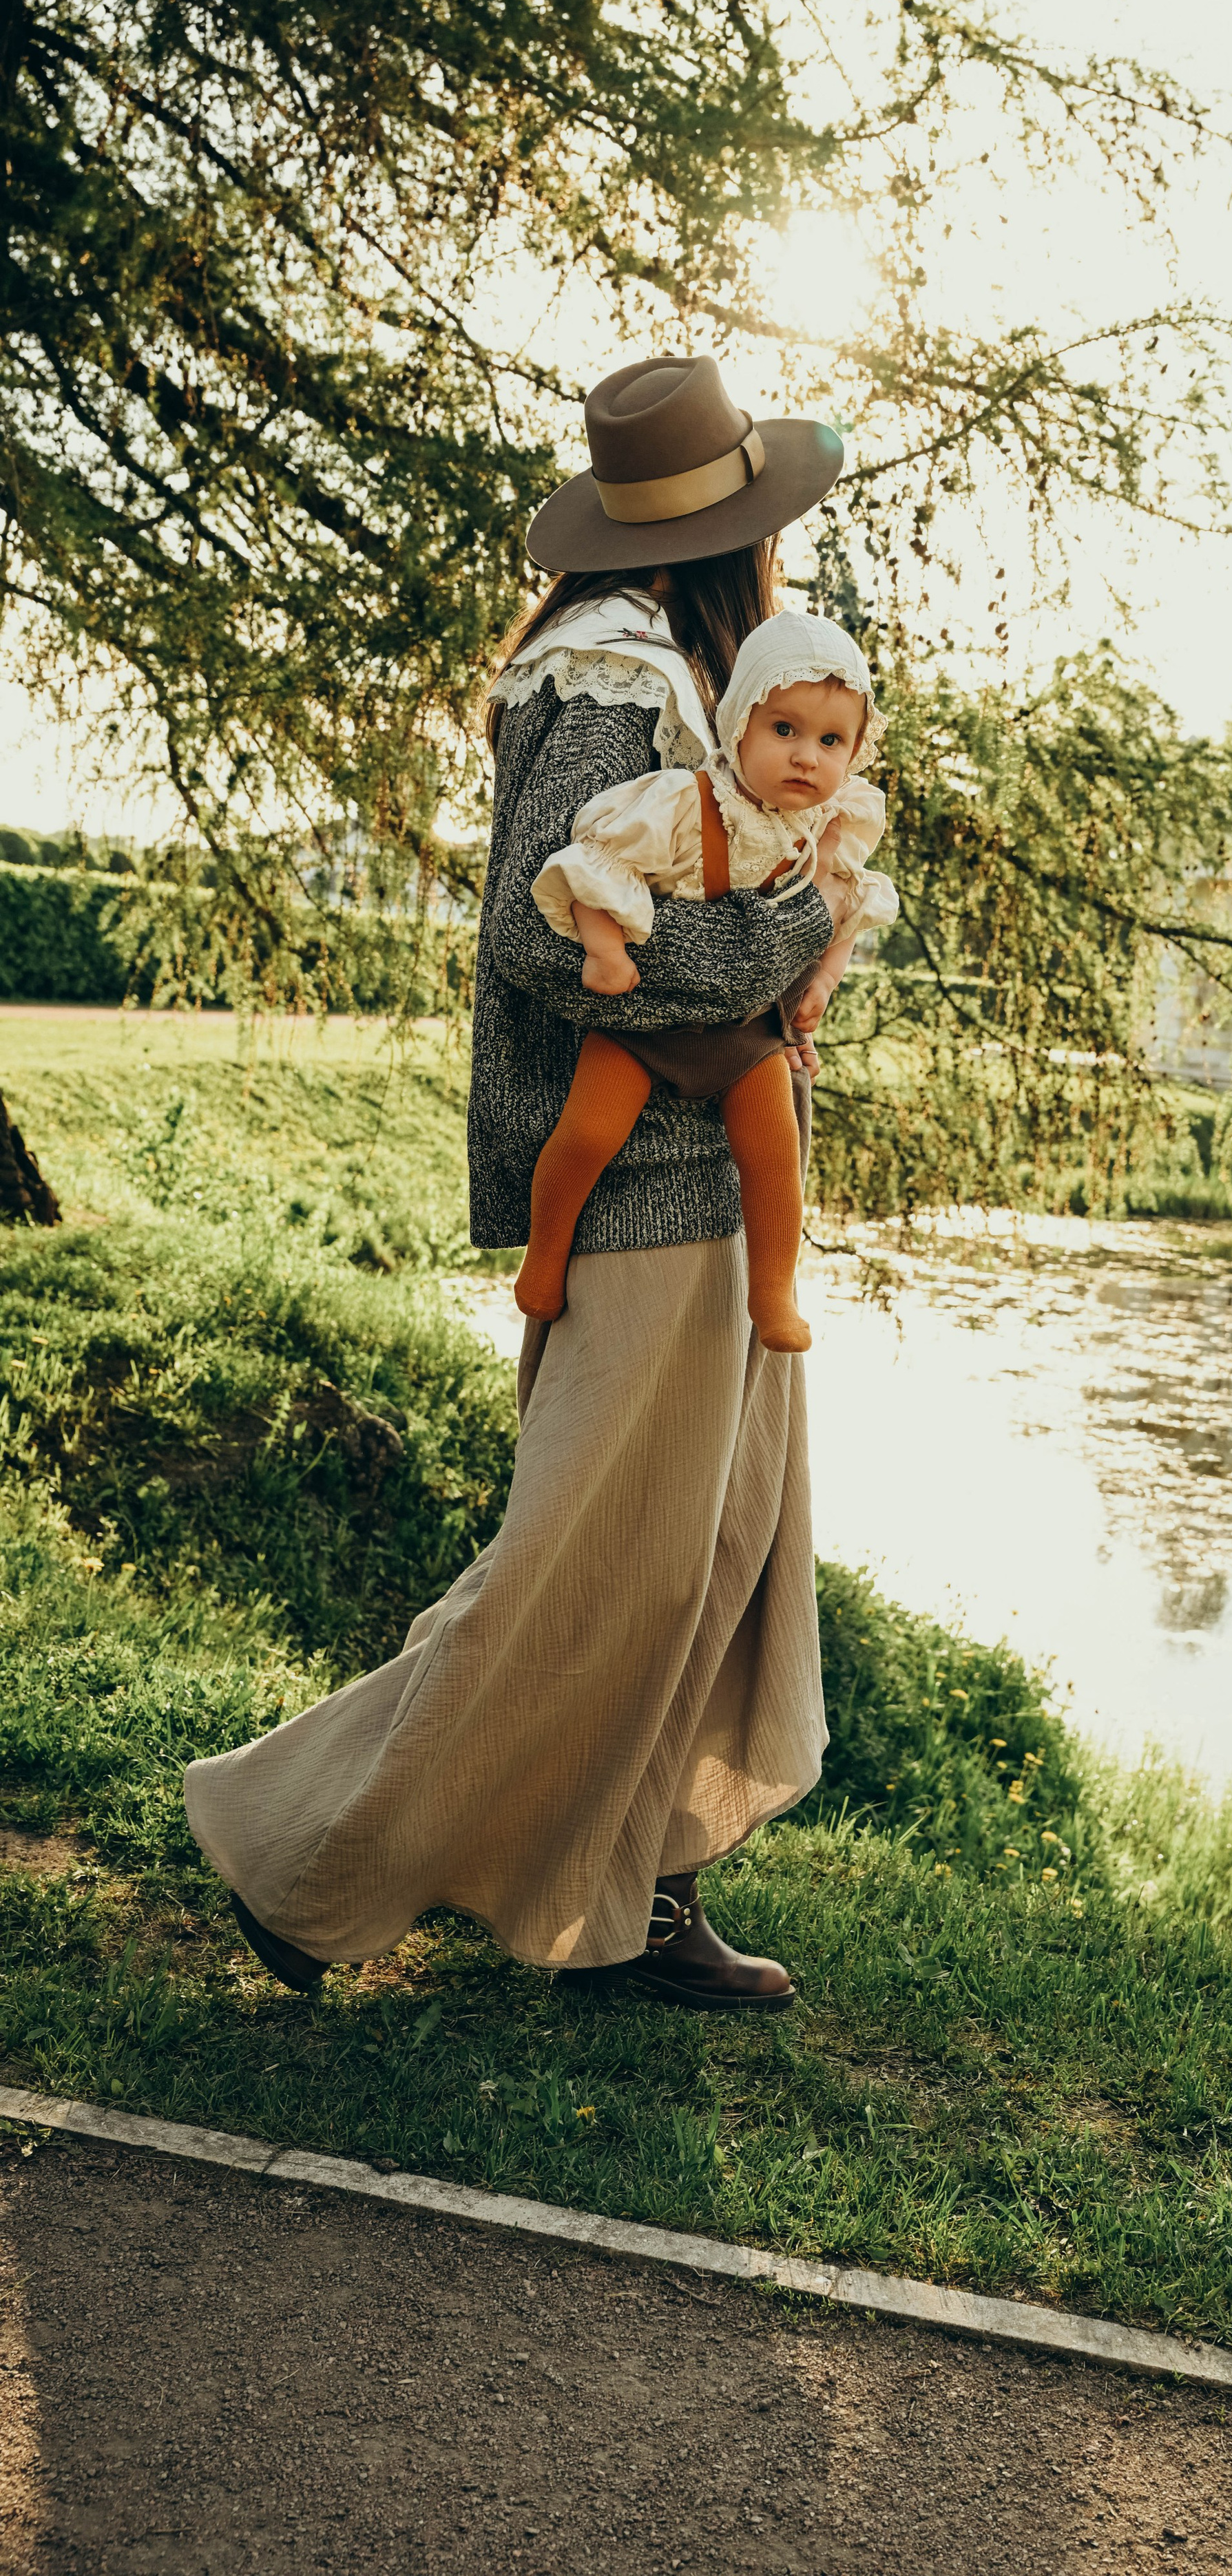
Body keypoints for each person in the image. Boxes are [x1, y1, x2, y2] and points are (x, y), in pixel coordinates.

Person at [185, 353, 861, 2013]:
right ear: (729, 535)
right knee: (582, 1567)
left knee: (717, 1551)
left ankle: (631, 1900)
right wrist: (787, 940)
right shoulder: (607, 672)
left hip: (704, 1159)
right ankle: (301, 1854)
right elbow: (532, 930)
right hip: (639, 1173)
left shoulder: (683, 671)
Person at [513, 609, 898, 1339]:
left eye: (830, 741)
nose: (805, 758)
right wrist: (605, 950)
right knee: (586, 1133)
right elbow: (592, 867)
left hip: (744, 1035)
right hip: (646, 1022)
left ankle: (773, 1293)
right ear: (737, 728)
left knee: (773, 1157)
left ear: (855, 751)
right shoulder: (685, 801)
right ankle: (544, 1254)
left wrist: (818, 987)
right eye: (783, 730)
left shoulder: (826, 831)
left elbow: (845, 916)